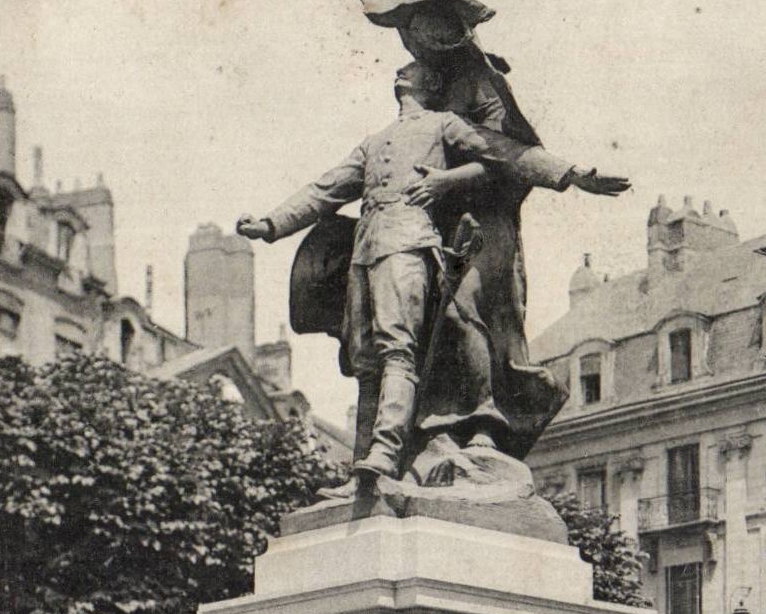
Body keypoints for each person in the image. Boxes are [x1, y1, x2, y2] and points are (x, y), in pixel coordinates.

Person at [238, 65, 627, 483]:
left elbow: (506, 154)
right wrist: (271, 224)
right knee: (365, 361)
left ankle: (387, 453)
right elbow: (324, 189)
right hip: (364, 253)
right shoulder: (374, 142)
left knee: (397, 350)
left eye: (413, 69)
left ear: (432, 82)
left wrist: (570, 174)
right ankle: (360, 471)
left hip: (409, 245)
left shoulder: (445, 124)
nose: (401, 71)